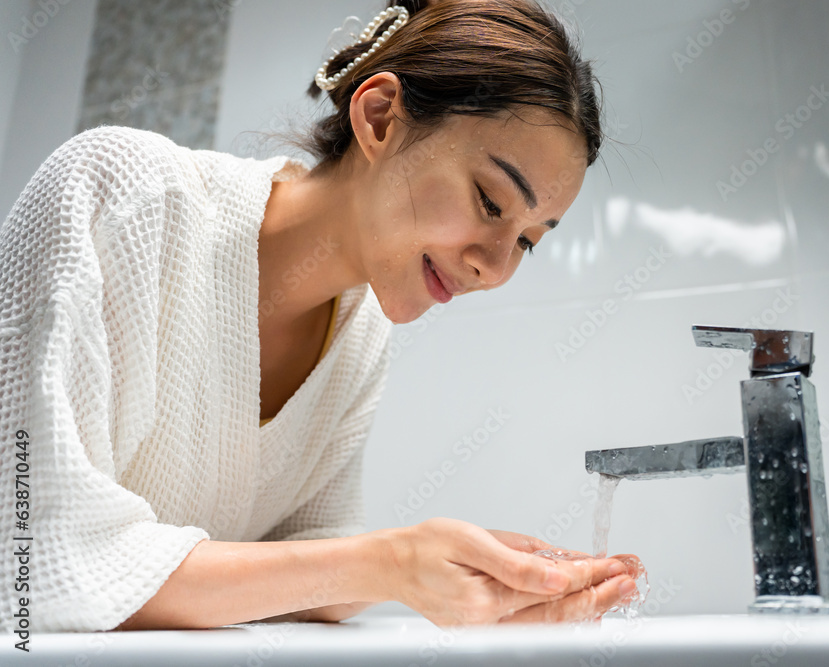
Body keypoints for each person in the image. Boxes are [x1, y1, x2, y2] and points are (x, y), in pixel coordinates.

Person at [0, 0, 642, 635]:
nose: (496, 268)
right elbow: (31, 566)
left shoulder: (361, 333)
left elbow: (301, 572)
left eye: (529, 240)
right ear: (381, 117)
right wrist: (388, 562)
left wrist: (485, 585)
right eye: (491, 201)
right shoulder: (121, 196)